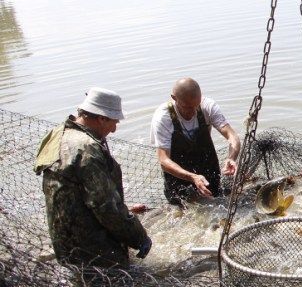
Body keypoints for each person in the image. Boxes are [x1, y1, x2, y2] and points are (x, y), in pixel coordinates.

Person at [34, 87, 152, 268]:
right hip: (94, 252)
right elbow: (105, 206)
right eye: (114, 122)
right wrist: (139, 237)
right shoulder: (87, 148)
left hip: (63, 244)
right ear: (101, 118)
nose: (114, 129)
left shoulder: (58, 133)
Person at [149, 78, 240, 205]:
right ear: (174, 98)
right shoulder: (163, 117)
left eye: (195, 106)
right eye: (187, 107)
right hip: (178, 178)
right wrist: (192, 177)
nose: (192, 112)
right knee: (183, 209)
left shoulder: (207, 106)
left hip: (207, 171)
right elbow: (163, 160)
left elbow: (233, 137)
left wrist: (231, 158)